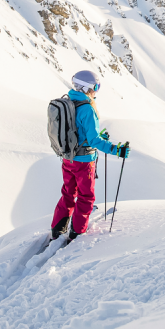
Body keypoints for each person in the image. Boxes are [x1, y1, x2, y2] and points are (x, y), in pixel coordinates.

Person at [50, 70, 130, 243]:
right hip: (84, 162)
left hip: (68, 158)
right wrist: (116, 150)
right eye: (96, 87)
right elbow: (94, 141)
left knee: (68, 193)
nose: (96, 91)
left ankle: (57, 229)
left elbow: (78, 131)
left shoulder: (69, 101)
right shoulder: (87, 108)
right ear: (87, 88)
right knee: (86, 197)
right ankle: (77, 233)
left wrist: (97, 137)